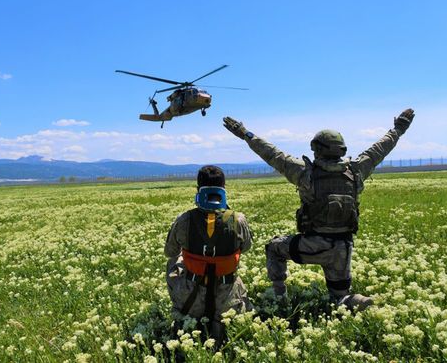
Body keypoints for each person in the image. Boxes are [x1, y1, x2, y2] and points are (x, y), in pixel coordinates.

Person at [222, 109, 415, 311]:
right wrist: (398, 129)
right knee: (338, 297)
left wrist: (246, 134)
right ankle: (355, 300)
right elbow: (380, 149)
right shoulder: (356, 170)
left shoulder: (305, 173)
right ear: (341, 149)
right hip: (343, 247)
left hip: (312, 245)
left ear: (317, 149)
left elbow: (272, 153)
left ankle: (280, 297)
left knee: (273, 248)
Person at [165, 165, 253, 344]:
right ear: (224, 190)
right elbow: (246, 248)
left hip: (191, 298)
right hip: (227, 300)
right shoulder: (238, 219)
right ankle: (220, 323)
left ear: (198, 191)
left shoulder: (184, 220)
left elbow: (170, 252)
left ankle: (187, 316)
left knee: (174, 259)